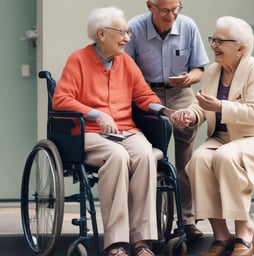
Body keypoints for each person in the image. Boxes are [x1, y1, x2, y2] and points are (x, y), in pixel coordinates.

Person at [52, 6, 169, 256]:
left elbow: (143, 95)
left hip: (126, 130)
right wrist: (95, 113)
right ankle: (116, 243)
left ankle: (141, 241)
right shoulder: (78, 60)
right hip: (90, 132)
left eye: (128, 32)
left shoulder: (126, 62)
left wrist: (165, 112)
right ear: (102, 33)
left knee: (145, 155)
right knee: (117, 156)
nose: (127, 37)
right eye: (122, 32)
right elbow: (61, 99)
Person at [170, 16, 254, 256]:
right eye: (213, 39)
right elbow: (202, 106)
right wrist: (190, 116)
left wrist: (221, 107)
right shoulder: (213, 71)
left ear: (240, 48)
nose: (213, 45)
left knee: (225, 157)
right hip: (222, 140)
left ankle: (245, 231)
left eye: (220, 41)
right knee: (198, 161)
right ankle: (221, 237)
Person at [125, 0, 209, 241]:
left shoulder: (188, 26)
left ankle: (188, 220)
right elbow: (125, 70)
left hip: (180, 93)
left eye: (175, 9)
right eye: (165, 10)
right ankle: (147, 222)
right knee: (149, 157)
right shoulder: (135, 28)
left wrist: (188, 79)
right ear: (150, 6)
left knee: (186, 160)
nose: (171, 15)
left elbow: (199, 68)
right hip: (145, 93)